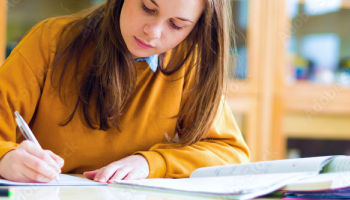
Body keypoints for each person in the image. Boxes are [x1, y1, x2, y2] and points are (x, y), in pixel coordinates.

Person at [0, 0, 250, 183]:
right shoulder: (49, 41)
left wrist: (151, 163)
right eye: (148, 8)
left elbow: (231, 153)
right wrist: (6, 158)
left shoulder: (188, 64)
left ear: (195, 29)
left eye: (176, 25)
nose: (152, 32)